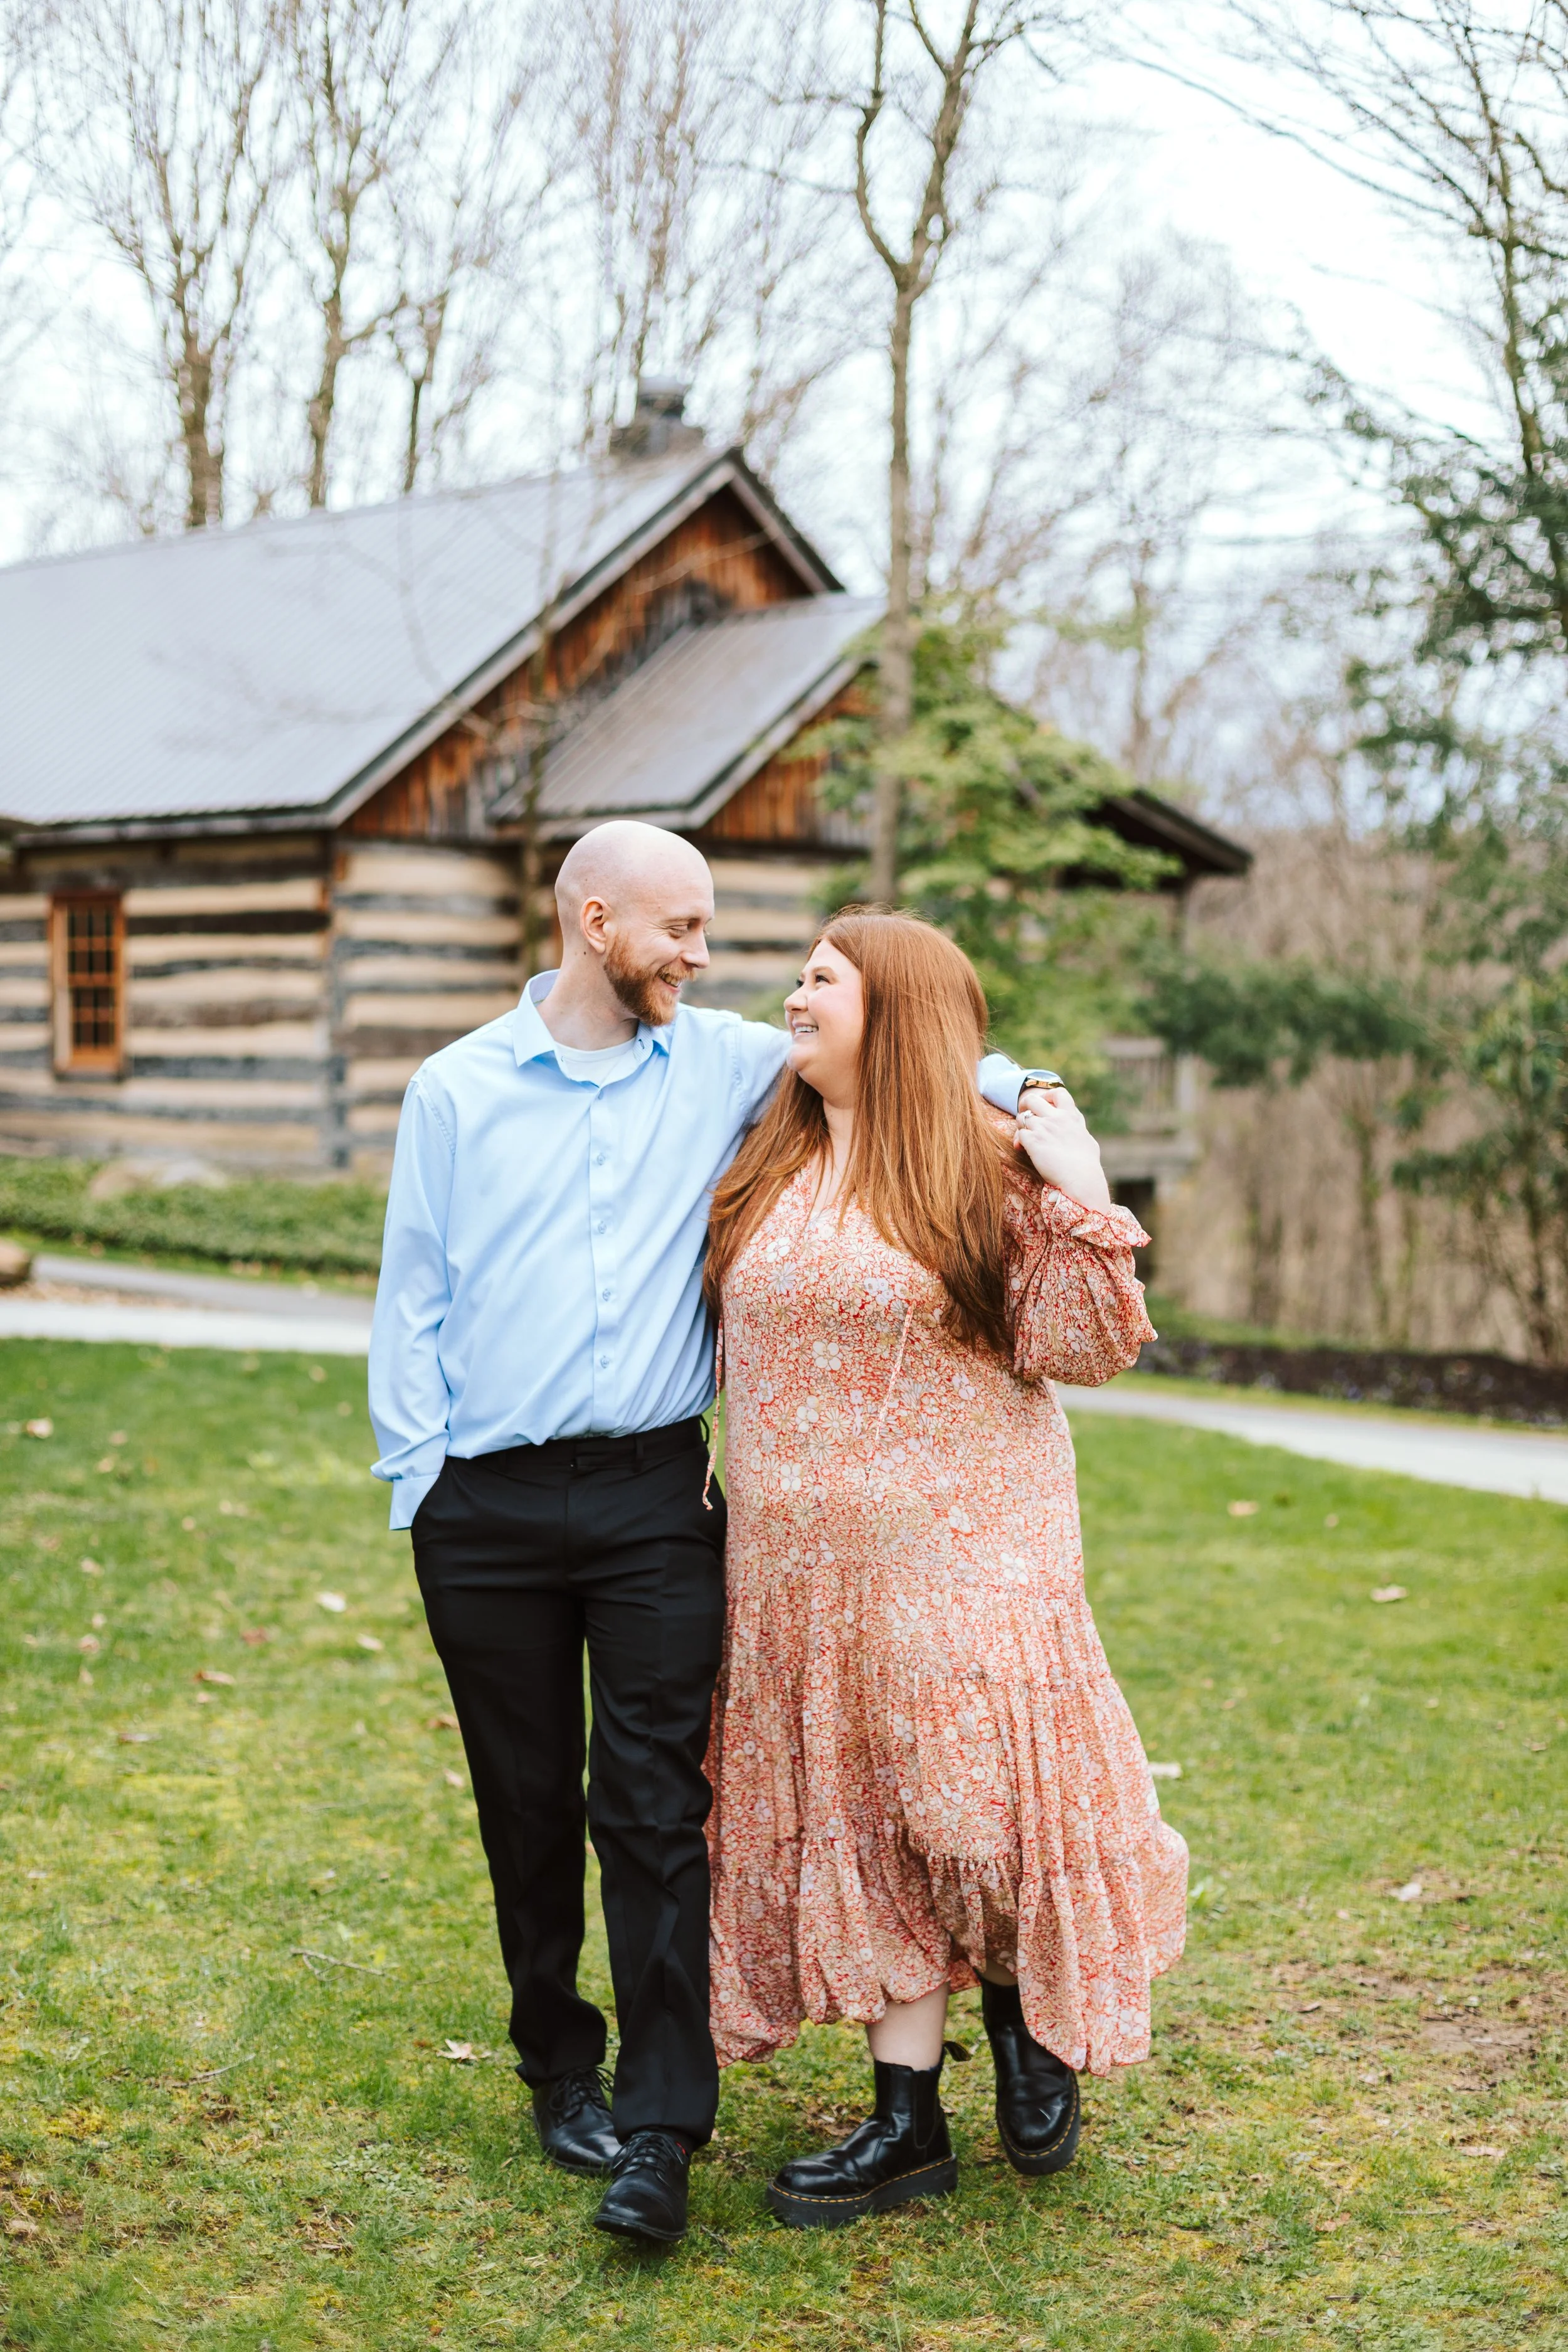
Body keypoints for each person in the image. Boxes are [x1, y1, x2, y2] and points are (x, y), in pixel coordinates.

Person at [366, 825, 1035, 2246]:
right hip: (481, 1506)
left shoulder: (726, 1061)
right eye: (678, 928)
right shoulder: (457, 1091)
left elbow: (913, 1046)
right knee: (527, 1802)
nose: (700, 955)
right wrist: (418, 1484)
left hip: (655, 1502)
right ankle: (560, 2062)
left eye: (710, 931)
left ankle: (662, 2124)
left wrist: (1026, 1092)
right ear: (594, 919)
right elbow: (410, 1295)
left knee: (657, 1804)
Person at [702, 910, 1188, 2228]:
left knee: (970, 1811)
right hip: (800, 1576)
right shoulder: (769, 1145)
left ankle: (1029, 2010)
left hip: (965, 1550)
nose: (792, 997)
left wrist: (1073, 1168)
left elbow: (1085, 1344)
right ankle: (902, 2122)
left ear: (894, 1010)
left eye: (820, 980)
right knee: (862, 1827)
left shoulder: (982, 1161)